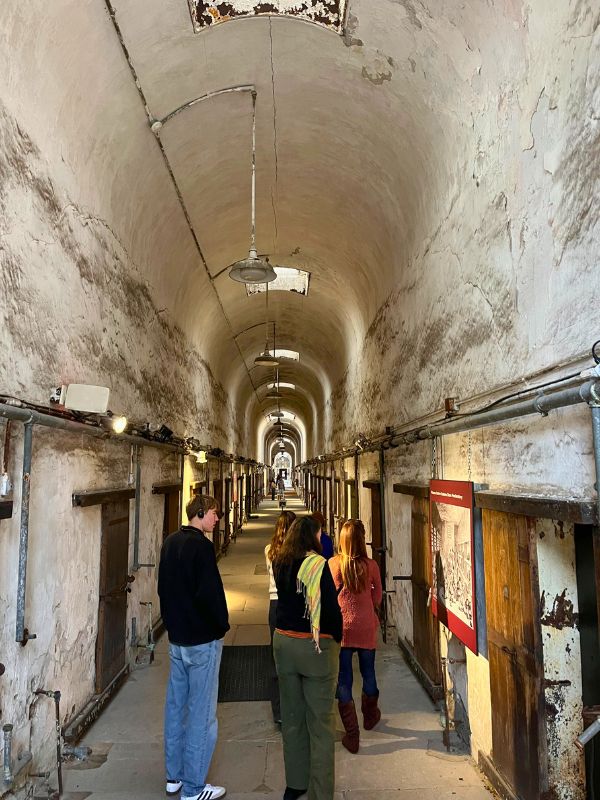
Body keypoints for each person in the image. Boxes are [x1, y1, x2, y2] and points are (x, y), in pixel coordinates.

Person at [158, 494, 229, 800]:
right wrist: (220, 625)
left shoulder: (170, 542)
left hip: (177, 639)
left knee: (176, 707)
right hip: (202, 641)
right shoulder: (202, 547)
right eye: (214, 513)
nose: (218, 518)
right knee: (202, 714)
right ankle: (194, 788)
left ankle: (173, 777)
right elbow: (210, 594)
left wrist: (173, 623)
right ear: (201, 513)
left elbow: (163, 588)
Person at [272, 517, 342, 800]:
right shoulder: (317, 565)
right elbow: (329, 610)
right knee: (321, 723)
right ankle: (320, 793)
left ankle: (295, 784)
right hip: (314, 649)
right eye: (319, 532)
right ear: (311, 536)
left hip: (284, 644)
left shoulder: (280, 562)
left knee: (292, 718)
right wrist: (336, 638)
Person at [328, 519, 383, 754]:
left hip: (343, 628)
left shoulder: (334, 564)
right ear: (361, 540)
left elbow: (328, 596)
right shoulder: (371, 566)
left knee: (344, 678)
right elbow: (378, 597)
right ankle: (370, 717)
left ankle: (353, 734)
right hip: (366, 626)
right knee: (368, 673)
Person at [265, 510, 297, 723]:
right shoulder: (299, 553)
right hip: (293, 603)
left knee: (276, 656)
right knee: (295, 655)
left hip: (274, 605)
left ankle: (278, 711)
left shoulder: (269, 550)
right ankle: (294, 706)